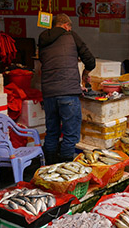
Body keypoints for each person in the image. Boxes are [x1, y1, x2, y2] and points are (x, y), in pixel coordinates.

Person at [38, 13, 96, 164]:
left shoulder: (43, 38)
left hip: (49, 93)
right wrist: (86, 73)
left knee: (51, 132)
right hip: (68, 93)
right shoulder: (71, 36)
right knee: (70, 135)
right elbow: (90, 60)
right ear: (65, 26)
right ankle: (65, 169)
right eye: (69, 27)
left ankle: (49, 168)